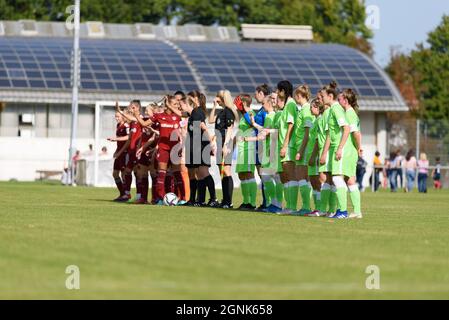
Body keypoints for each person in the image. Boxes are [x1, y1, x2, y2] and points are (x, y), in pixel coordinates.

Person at [321, 81, 353, 219]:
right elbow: (330, 134)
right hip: (334, 148)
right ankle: (338, 211)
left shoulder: (335, 109)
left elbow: (346, 128)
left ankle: (343, 211)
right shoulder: (332, 110)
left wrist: (340, 148)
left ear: (329, 96)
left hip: (340, 148)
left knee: (337, 179)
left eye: (322, 96)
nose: (321, 99)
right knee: (335, 179)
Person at [184, 91, 217, 207]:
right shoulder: (195, 111)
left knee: (203, 172)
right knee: (199, 173)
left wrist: (210, 143)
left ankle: (213, 198)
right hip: (197, 145)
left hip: (201, 145)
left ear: (195, 98)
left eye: (189, 97)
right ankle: (200, 200)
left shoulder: (197, 112)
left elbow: (203, 127)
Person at [208, 90, 238, 209]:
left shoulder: (229, 111)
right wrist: (214, 107)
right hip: (220, 142)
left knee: (226, 171)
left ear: (223, 98)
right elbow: (210, 120)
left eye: (218, 98)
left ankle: (228, 201)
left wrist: (226, 145)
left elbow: (230, 129)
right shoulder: (222, 112)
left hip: (226, 143)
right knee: (222, 171)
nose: (216, 99)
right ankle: (225, 199)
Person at [339, 88, 363, 219]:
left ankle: (346, 210)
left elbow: (356, 133)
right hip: (350, 151)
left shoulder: (349, 114)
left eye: (340, 98)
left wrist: (359, 147)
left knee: (343, 179)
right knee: (350, 179)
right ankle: (356, 211)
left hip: (348, 151)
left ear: (346, 100)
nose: (338, 100)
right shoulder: (350, 113)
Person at [275, 80, 298, 214]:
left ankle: (292, 206)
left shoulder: (290, 105)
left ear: (283, 91)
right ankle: (289, 206)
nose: (277, 93)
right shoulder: (287, 106)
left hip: (289, 146)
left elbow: (291, 125)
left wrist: (285, 145)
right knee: (285, 176)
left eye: (278, 90)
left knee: (290, 175)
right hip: (285, 145)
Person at [293, 85, 314, 216]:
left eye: (296, 95)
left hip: (304, 148)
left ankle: (306, 206)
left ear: (299, 96)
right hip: (301, 147)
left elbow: (307, 133)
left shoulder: (306, 110)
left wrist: (300, 150)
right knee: (304, 178)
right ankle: (306, 206)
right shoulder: (303, 109)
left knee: (302, 177)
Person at [235, 94, 258, 210]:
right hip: (241, 148)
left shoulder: (251, 113)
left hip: (249, 147)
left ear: (244, 103)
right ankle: (245, 201)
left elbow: (252, 124)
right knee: (241, 174)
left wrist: (243, 110)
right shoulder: (243, 116)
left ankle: (252, 203)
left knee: (249, 174)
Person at [304, 98, 325, 217]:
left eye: (312, 106)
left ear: (317, 108)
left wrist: (313, 156)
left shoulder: (319, 120)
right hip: (311, 154)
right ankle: (317, 208)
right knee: (313, 182)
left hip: (315, 155)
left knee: (318, 182)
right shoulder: (315, 120)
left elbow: (317, 140)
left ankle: (321, 208)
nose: (310, 108)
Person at [107, 111, 129, 201]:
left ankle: (126, 194)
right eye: (115, 116)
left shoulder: (126, 126)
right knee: (115, 173)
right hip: (119, 152)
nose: (116, 118)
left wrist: (115, 138)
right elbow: (119, 142)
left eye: (118, 116)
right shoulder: (118, 126)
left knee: (124, 174)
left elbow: (128, 137)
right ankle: (122, 193)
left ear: (123, 116)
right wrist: (116, 151)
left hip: (125, 152)